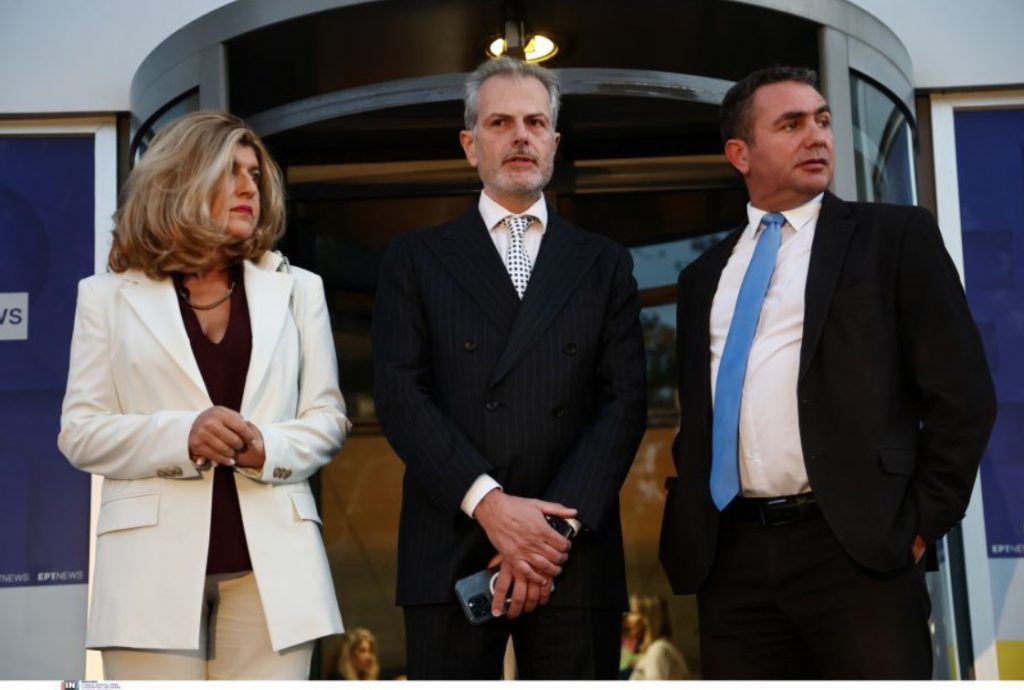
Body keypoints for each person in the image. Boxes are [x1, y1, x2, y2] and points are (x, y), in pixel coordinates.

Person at [658, 66, 996, 679]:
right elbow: (701, 415)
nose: (816, 136)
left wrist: (920, 523)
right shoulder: (701, 276)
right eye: (790, 125)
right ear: (740, 153)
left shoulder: (893, 236)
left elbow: (963, 394)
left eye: (823, 121)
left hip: (855, 548)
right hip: (732, 557)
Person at [372, 57, 647, 680]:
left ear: (555, 141)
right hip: (451, 541)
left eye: (535, 122)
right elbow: (399, 394)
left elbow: (625, 403)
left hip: (570, 551)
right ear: (470, 144)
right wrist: (492, 506)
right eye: (500, 122)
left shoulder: (604, 262)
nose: (520, 136)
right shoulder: (416, 257)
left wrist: (546, 537)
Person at [58, 111, 349, 680]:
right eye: (230, 172)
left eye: (254, 174)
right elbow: (81, 432)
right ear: (182, 181)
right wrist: (182, 435)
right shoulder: (106, 296)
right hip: (146, 574)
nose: (249, 188)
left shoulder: (299, 288)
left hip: (277, 574)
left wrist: (267, 446)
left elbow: (328, 417)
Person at [627, 595, 689, 681]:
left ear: (648, 618)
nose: (627, 618)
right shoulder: (655, 650)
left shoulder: (658, 651)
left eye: (633, 613)